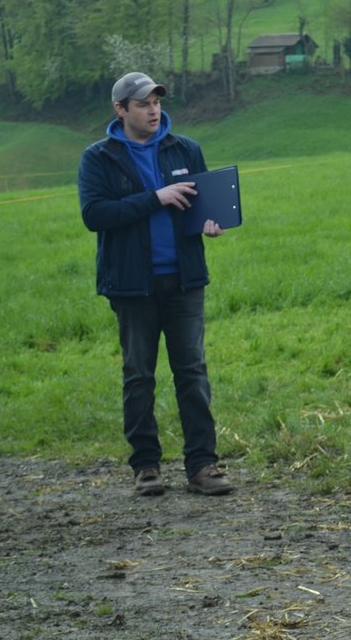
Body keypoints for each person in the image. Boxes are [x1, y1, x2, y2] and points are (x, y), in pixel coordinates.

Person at [78, 71, 235, 497]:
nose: (153, 110)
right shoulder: (100, 158)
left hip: (183, 280)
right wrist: (155, 198)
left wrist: (210, 224)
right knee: (139, 376)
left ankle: (203, 466)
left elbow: (199, 204)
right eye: (143, 104)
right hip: (132, 285)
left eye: (157, 103)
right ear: (121, 110)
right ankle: (146, 467)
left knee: (192, 373)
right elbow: (95, 215)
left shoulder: (184, 148)